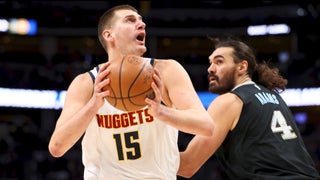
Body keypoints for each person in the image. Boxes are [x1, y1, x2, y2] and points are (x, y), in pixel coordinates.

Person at [48, 4, 214, 180]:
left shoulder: (166, 70)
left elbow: (206, 126)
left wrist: (161, 111)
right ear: (108, 34)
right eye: (130, 20)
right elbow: (57, 147)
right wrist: (93, 104)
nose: (141, 25)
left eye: (142, 21)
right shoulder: (86, 83)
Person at [178, 38, 320, 179]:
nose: (210, 69)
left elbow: (188, 165)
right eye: (210, 63)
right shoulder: (276, 98)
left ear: (242, 67)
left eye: (219, 62)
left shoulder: (230, 101)